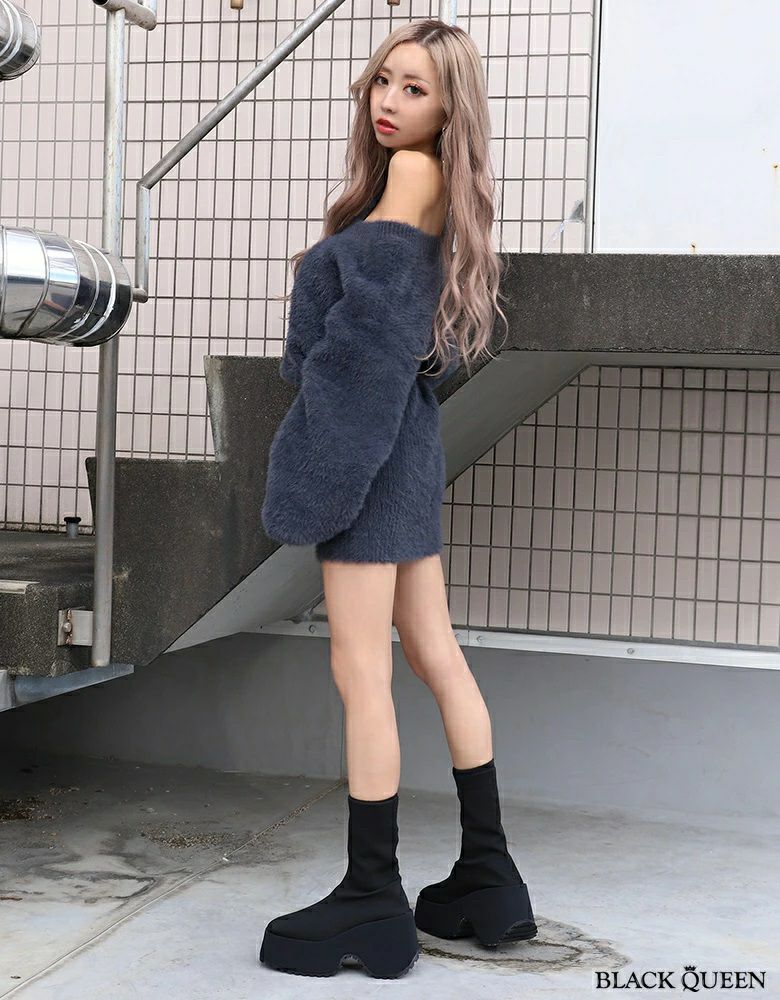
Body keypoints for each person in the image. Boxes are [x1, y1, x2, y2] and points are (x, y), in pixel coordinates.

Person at [258, 17, 536, 979]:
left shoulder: (410, 177)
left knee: (360, 669)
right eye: (384, 80)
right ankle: (489, 876)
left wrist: (321, 465)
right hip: (407, 442)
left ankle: (371, 897)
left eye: (415, 89)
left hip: (368, 449)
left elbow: (366, 347)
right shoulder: (430, 184)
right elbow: (408, 340)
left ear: (449, 109)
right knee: (433, 654)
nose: (389, 100)